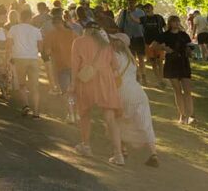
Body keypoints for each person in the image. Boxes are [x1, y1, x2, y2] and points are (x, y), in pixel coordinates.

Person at [71, 20, 123, 158]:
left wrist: (72, 84)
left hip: (87, 79)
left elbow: (75, 65)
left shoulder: (79, 41)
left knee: (85, 114)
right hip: (106, 80)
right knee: (110, 118)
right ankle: (118, 154)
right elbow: (116, 67)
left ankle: (86, 145)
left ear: (86, 30)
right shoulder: (106, 44)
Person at [110, 34, 159, 167]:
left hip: (123, 92)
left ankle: (121, 151)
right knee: (145, 123)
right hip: (139, 93)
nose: (111, 41)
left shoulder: (115, 57)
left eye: (113, 40)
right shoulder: (131, 58)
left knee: (118, 121)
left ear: (117, 42)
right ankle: (153, 153)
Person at [7, 9, 44, 118]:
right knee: (35, 87)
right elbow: (40, 48)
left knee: (21, 84)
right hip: (33, 59)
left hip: (19, 58)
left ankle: (25, 105)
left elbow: (8, 45)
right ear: (30, 18)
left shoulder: (13, 29)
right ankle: (36, 112)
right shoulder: (36, 30)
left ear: (20, 18)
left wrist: (9, 57)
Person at [44, 8, 78, 123]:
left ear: (53, 24)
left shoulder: (51, 35)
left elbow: (47, 52)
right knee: (73, 91)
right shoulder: (72, 33)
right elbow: (79, 47)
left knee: (66, 92)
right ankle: (75, 113)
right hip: (74, 66)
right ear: (63, 22)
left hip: (61, 66)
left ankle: (71, 114)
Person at [161, 15, 194, 125]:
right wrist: (164, 48)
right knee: (177, 91)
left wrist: (190, 51)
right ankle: (182, 115)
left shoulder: (184, 35)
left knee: (188, 91)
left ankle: (190, 114)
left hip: (183, 62)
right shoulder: (165, 35)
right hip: (171, 62)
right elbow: (154, 45)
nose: (175, 23)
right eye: (173, 22)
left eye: (177, 21)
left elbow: (189, 47)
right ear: (169, 23)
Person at [119, 0, 147, 80]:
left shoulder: (141, 12)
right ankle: (137, 74)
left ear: (135, 3)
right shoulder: (124, 13)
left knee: (141, 57)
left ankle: (143, 74)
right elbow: (121, 25)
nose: (131, 4)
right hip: (129, 38)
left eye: (132, 2)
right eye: (129, 2)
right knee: (132, 57)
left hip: (139, 36)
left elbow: (143, 23)